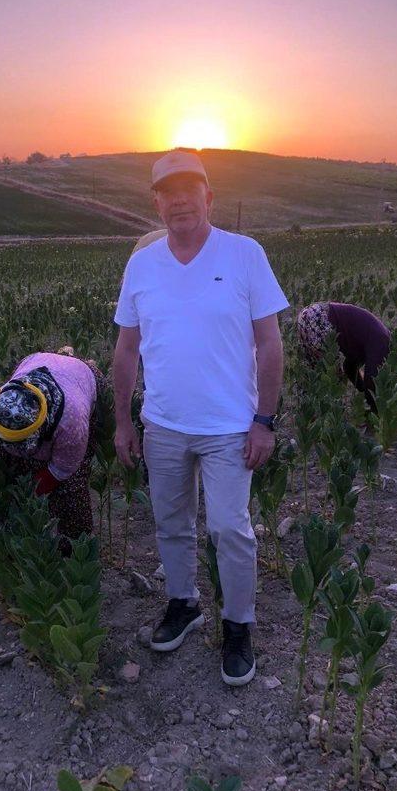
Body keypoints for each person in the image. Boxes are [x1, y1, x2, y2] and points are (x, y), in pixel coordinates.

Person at [113, 150, 288, 686]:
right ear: (157, 202)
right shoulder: (141, 264)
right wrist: (124, 420)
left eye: (191, 188)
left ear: (209, 197)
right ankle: (183, 603)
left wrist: (265, 420)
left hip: (230, 427)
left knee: (230, 529)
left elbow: (270, 342)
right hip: (162, 424)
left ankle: (238, 626)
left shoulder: (244, 254)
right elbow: (125, 350)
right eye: (169, 191)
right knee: (170, 522)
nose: (180, 199)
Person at [0, 352, 104, 543]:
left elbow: (64, 468)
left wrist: (33, 491)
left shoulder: (71, 420)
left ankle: (73, 543)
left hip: (81, 377)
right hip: (35, 361)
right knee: (14, 472)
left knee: (71, 485)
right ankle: (20, 536)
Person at [296, 302, 397, 412]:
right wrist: (377, 410)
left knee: (312, 370)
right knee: (332, 377)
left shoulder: (371, 340)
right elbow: (372, 380)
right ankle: (324, 414)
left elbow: (350, 367)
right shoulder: (382, 343)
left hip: (309, 314)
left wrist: (363, 392)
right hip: (320, 319)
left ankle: (307, 410)